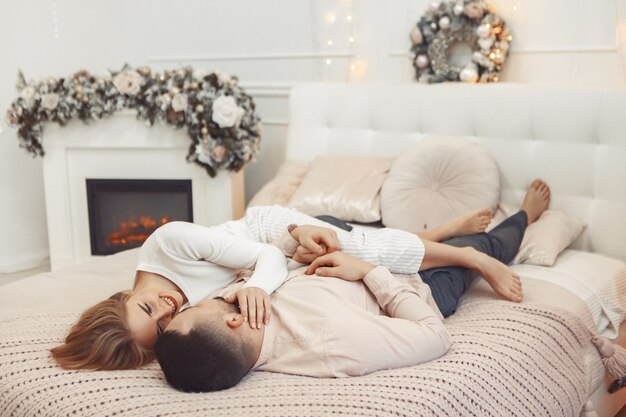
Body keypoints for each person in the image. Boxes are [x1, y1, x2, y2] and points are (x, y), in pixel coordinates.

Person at [51, 180, 548, 371]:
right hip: (300, 265)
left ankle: (479, 255)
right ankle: (445, 233)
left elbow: (266, 261)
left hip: (281, 234)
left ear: (122, 295)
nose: (167, 309)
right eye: (159, 326)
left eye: (146, 305)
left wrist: (255, 289)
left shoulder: (167, 241)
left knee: (372, 246)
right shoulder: (183, 325)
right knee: (380, 248)